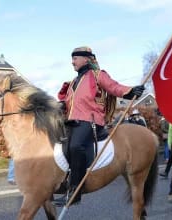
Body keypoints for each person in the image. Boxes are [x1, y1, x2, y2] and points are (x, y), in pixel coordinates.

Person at [56, 46, 145, 205]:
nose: (72, 62)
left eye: (75, 58)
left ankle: (76, 192)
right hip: (71, 121)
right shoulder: (73, 82)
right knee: (61, 144)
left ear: (86, 59)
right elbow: (69, 101)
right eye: (72, 58)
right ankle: (64, 180)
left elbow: (114, 87)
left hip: (91, 121)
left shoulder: (98, 75)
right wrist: (62, 105)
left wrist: (131, 91)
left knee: (76, 146)